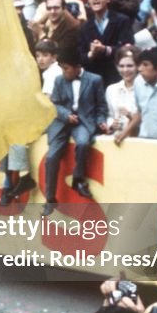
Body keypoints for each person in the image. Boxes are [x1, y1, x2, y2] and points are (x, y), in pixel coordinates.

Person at [42, 49, 108, 215]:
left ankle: (78, 180)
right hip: (62, 123)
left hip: (83, 122)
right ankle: (50, 199)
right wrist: (66, 115)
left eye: (66, 68)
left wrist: (101, 122)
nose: (64, 72)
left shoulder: (95, 80)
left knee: (84, 142)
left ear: (78, 67)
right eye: (62, 68)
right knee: (51, 157)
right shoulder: (59, 80)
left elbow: (101, 106)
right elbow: (54, 105)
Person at [79, 0, 135, 85]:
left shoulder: (122, 20)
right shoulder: (85, 27)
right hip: (93, 80)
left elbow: (129, 48)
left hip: (117, 76)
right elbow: (81, 56)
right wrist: (91, 54)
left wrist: (105, 50)